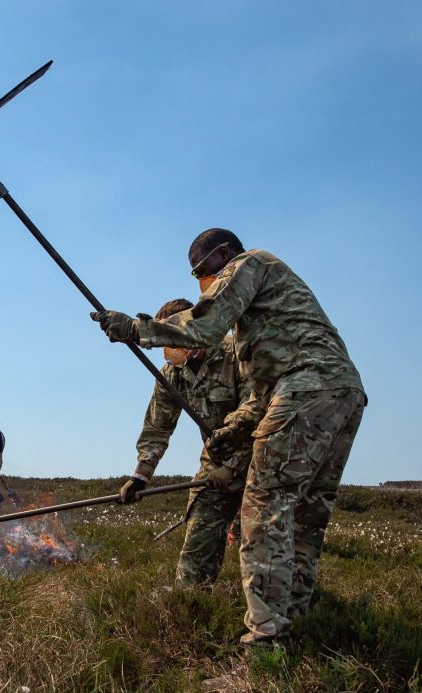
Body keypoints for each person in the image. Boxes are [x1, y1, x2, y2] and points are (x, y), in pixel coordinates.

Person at [93, 228, 366, 649]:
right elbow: (257, 399)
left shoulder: (249, 263)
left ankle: (265, 646)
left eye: (204, 273)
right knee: (305, 516)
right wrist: (148, 472)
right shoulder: (255, 330)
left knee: (262, 510)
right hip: (340, 392)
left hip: (307, 389)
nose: (205, 283)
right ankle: (295, 621)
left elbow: (204, 325)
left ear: (224, 254)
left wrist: (135, 328)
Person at [118, 298, 254, 589]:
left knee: (263, 542)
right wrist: (140, 476)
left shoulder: (236, 354)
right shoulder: (172, 375)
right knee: (201, 519)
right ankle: (192, 594)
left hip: (263, 456)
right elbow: (157, 426)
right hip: (216, 460)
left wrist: (235, 467)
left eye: (173, 338)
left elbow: (259, 413)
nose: (169, 349)